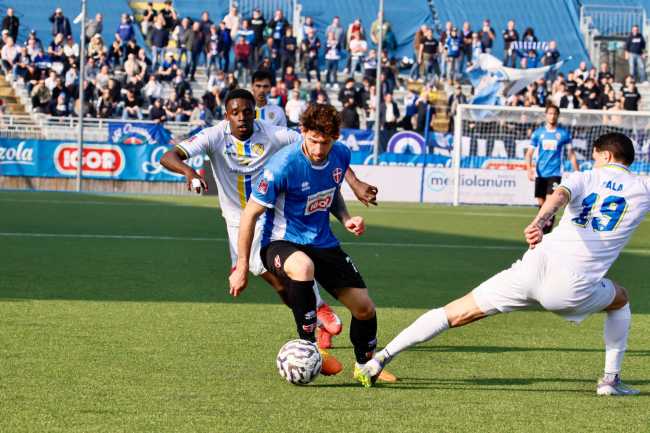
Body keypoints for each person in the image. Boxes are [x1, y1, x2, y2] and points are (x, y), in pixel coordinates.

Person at [359, 132, 644, 396]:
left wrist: (539, 221)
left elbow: (559, 195)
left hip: (533, 265)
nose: (594, 162)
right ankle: (610, 381)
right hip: (571, 286)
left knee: (454, 312)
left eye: (595, 157)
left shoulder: (584, 176)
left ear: (605, 155)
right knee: (620, 299)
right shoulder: (642, 187)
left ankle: (380, 359)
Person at [161, 89, 380, 359]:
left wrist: (354, 186)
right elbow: (169, 156)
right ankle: (316, 315)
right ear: (226, 115)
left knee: (298, 274)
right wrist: (189, 172)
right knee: (278, 282)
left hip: (273, 213)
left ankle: (320, 317)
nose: (242, 117)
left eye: (247, 112)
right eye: (235, 113)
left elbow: (327, 158)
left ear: (255, 113)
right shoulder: (214, 136)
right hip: (240, 217)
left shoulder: (276, 134)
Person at [228, 102, 396, 384]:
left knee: (364, 308)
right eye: (313, 141)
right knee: (303, 267)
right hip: (280, 241)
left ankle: (365, 366)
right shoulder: (282, 166)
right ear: (303, 131)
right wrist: (242, 266)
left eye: (325, 142)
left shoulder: (340, 154)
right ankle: (311, 349)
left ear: (335, 138)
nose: (319, 149)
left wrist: (346, 219)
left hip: (322, 242)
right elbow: (249, 215)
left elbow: (331, 190)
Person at [525, 104, 579, 233]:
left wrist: (577, 171)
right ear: (546, 115)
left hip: (555, 172)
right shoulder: (538, 133)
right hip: (540, 173)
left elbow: (571, 154)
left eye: (555, 113)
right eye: (550, 113)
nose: (552, 116)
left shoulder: (563, 134)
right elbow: (529, 153)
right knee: (541, 204)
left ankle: (546, 233)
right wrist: (529, 169)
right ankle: (541, 229)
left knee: (551, 202)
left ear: (558, 115)